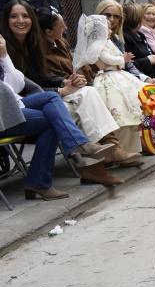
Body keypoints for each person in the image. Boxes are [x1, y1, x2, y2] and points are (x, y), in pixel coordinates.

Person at [0, 34, 116, 200]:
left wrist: (4, 56)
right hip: (3, 115)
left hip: (15, 105)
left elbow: (17, 84)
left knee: (51, 98)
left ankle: (78, 145)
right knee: (52, 120)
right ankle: (42, 179)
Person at [35, 9, 141, 176]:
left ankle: (111, 150)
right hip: (51, 95)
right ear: (48, 31)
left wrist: (76, 79)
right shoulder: (38, 48)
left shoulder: (60, 43)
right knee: (93, 94)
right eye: (61, 26)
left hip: (70, 87)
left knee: (94, 94)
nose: (65, 28)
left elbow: (73, 67)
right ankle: (103, 155)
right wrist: (64, 83)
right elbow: (42, 75)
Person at [73, 14, 148, 158]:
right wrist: (122, 59)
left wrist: (122, 59)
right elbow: (106, 59)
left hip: (119, 77)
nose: (110, 30)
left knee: (134, 111)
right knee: (120, 113)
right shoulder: (97, 45)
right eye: (107, 27)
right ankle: (120, 150)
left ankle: (134, 148)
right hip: (109, 79)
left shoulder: (108, 42)